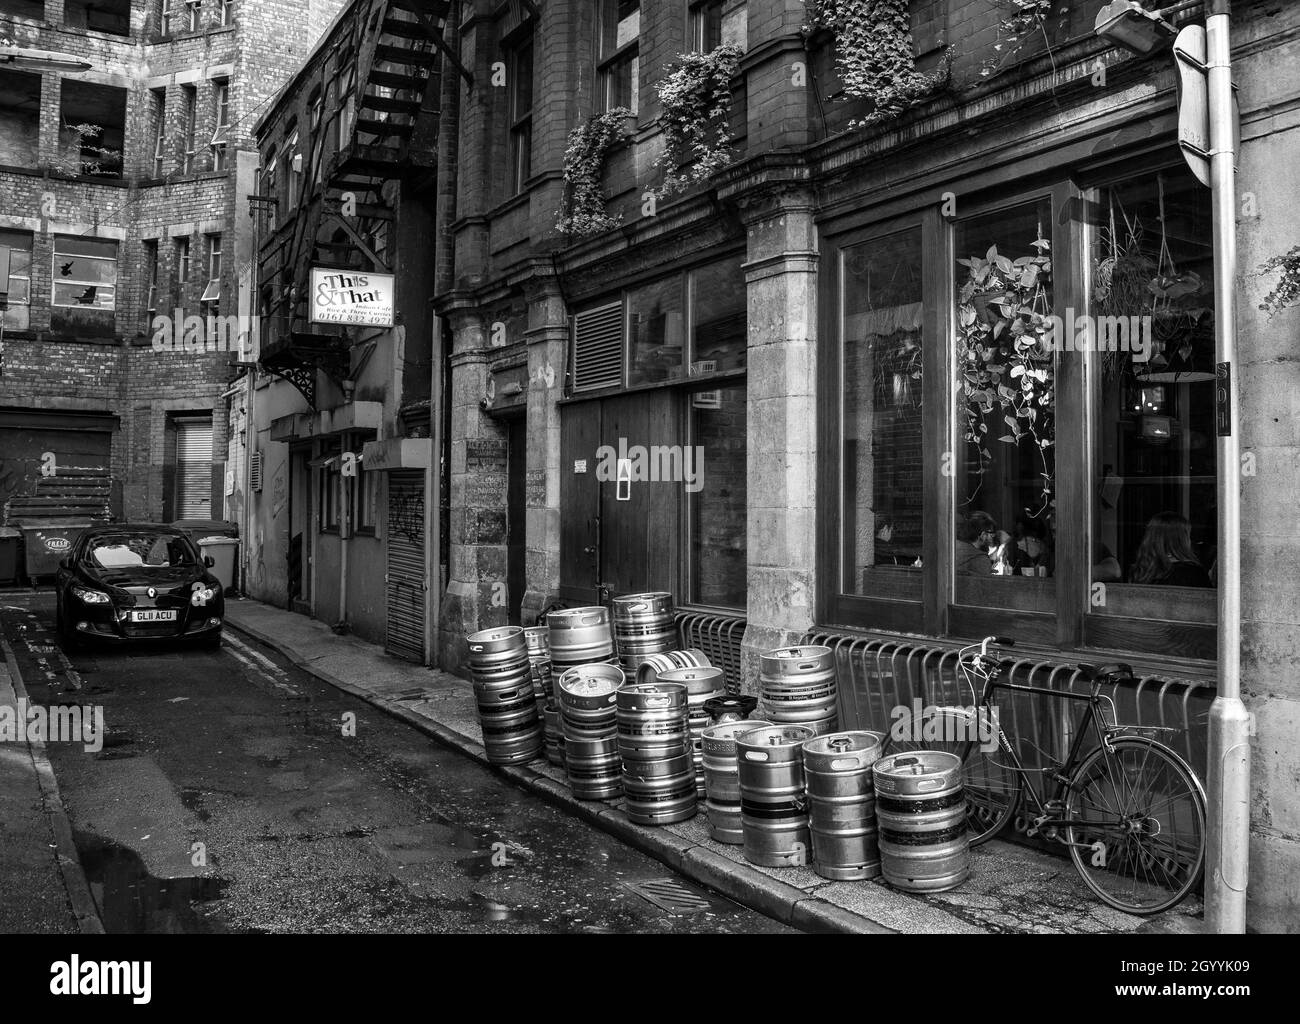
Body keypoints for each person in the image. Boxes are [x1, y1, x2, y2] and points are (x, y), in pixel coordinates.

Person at [1130, 511, 1212, 587]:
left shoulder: (1141, 571)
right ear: (1181, 540)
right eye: (1188, 536)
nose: (1190, 541)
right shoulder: (1193, 573)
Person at [955, 511, 995, 575]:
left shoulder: (952, 547)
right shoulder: (981, 558)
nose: (993, 536)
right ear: (983, 534)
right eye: (991, 533)